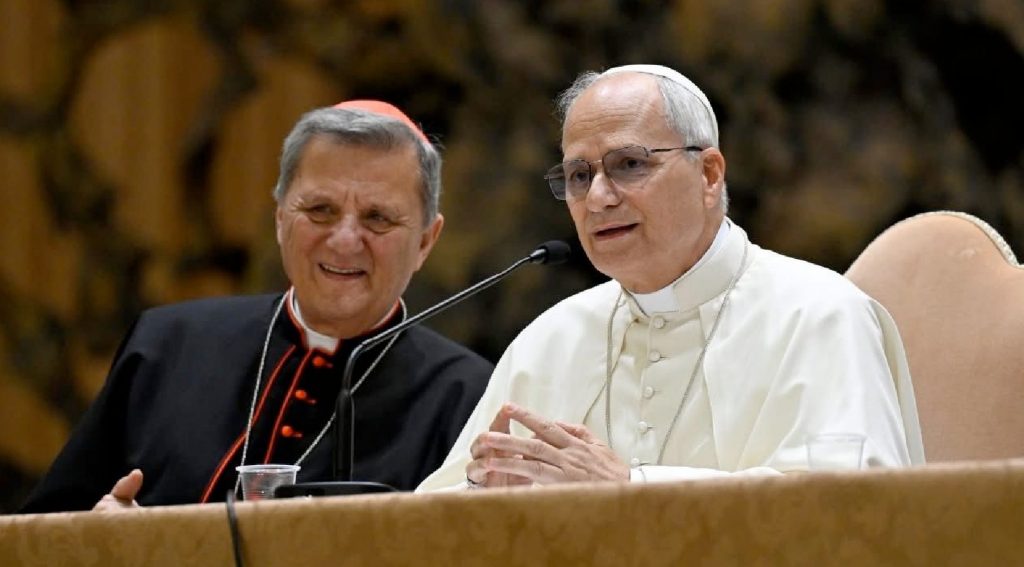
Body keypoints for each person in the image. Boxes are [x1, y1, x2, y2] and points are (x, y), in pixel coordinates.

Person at [418, 64, 924, 491]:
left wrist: (634, 488)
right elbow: (437, 519)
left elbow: (851, 513)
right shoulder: (550, 340)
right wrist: (484, 499)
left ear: (709, 174)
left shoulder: (820, 315)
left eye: (629, 164)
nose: (599, 198)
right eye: (579, 176)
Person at [21, 100, 493, 512]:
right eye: (320, 210)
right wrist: (108, 540)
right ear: (280, 219)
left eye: (378, 218)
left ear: (426, 241)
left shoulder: (470, 398)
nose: (345, 240)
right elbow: (43, 533)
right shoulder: (166, 346)